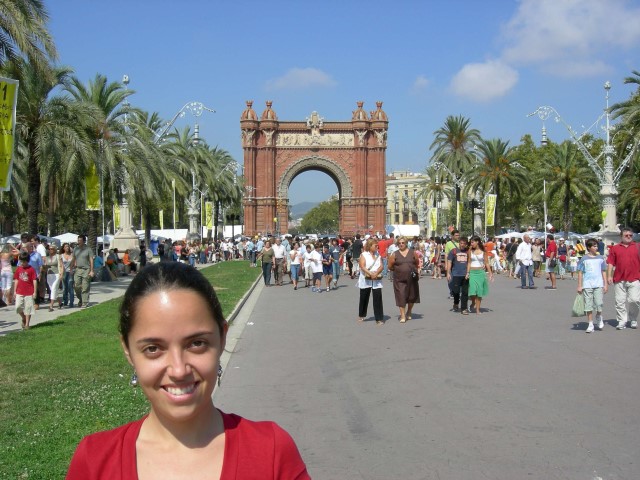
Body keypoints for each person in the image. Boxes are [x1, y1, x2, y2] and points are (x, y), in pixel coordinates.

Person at [66, 262, 310, 479]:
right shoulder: (94, 462)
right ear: (128, 351)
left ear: (222, 338)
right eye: (153, 348)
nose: (179, 369)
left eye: (196, 344)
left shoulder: (271, 453)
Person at [606, 228, 640, 330]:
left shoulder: (638, 247)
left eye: (630, 235)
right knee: (619, 301)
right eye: (626, 235)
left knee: (635, 300)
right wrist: (609, 276)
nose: (629, 237)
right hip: (619, 279)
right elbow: (611, 263)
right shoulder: (615, 248)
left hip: (634, 278)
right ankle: (622, 320)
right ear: (621, 236)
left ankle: (633, 319)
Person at [577, 238, 608, 333]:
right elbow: (580, 273)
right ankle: (590, 324)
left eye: (597, 246)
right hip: (587, 285)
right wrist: (579, 285)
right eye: (594, 246)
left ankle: (599, 316)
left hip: (598, 284)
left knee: (599, 303)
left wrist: (605, 284)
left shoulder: (600, 258)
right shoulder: (584, 259)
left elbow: (603, 271)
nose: (596, 247)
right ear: (589, 248)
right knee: (588, 305)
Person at [388, 236, 420, 323]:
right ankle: (402, 315)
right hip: (399, 279)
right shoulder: (394, 254)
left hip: (412, 278)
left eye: (403, 243)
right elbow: (390, 266)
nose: (401, 244)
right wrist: (399, 270)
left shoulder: (412, 252)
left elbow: (417, 262)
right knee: (401, 296)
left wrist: (416, 270)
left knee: (411, 296)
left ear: (406, 243)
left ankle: (409, 311)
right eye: (399, 243)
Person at [357, 238, 384, 325]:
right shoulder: (364, 255)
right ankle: (361, 315)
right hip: (366, 279)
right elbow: (362, 266)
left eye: (377, 245)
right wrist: (370, 273)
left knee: (378, 298)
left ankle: (379, 318)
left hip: (376, 279)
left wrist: (376, 273)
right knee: (364, 297)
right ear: (370, 246)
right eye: (375, 245)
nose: (377, 247)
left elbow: (381, 266)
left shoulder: (378, 255)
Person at [465, 236, 493, 315]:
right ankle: (473, 302)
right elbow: (469, 262)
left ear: (477, 242)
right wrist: (467, 273)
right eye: (471, 242)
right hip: (472, 273)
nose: (471, 243)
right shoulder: (470, 251)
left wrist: (490, 273)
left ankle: (477, 309)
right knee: (473, 291)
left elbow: (487, 263)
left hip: (480, 272)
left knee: (479, 292)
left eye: (473, 242)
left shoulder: (483, 251)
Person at [13, 251, 38, 330]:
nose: (22, 263)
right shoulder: (19, 269)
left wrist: (34, 292)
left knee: (28, 308)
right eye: (21, 261)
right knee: (18, 307)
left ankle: (27, 324)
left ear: (27, 261)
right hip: (19, 291)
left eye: (24, 261)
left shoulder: (31, 269)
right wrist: (14, 291)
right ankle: (23, 317)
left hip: (29, 292)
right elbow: (16, 279)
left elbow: (34, 280)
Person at [446, 236, 470, 315]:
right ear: (459, 243)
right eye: (461, 243)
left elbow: (470, 262)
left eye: (464, 243)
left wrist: (468, 272)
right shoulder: (454, 251)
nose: (462, 245)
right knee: (456, 291)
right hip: (456, 274)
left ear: (466, 244)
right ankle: (456, 303)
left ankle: (464, 308)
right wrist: (448, 272)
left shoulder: (468, 252)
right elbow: (449, 261)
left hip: (465, 274)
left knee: (465, 292)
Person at [71, 234, 94, 308]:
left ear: (84, 241)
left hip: (86, 269)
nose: (79, 241)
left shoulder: (88, 249)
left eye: (80, 240)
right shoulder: (75, 249)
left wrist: (91, 270)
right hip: (78, 269)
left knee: (85, 286)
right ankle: (81, 299)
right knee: (76, 286)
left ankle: (85, 302)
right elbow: (73, 259)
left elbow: (91, 260)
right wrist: (71, 268)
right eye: (78, 240)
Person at [44, 244, 64, 311]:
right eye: (49, 249)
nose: (50, 250)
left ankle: (51, 306)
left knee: (53, 289)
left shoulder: (58, 256)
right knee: (53, 290)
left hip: (56, 274)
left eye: (52, 249)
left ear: (55, 250)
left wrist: (61, 274)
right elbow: (45, 266)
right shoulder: (47, 258)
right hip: (49, 275)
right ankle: (60, 303)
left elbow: (61, 266)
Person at [60, 243, 75, 308]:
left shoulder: (72, 255)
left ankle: (71, 302)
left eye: (68, 246)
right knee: (64, 288)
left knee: (70, 287)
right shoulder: (61, 255)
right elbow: (61, 265)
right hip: (64, 272)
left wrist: (72, 269)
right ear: (63, 248)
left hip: (70, 272)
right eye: (66, 246)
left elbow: (74, 264)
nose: (67, 248)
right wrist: (61, 273)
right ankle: (65, 301)